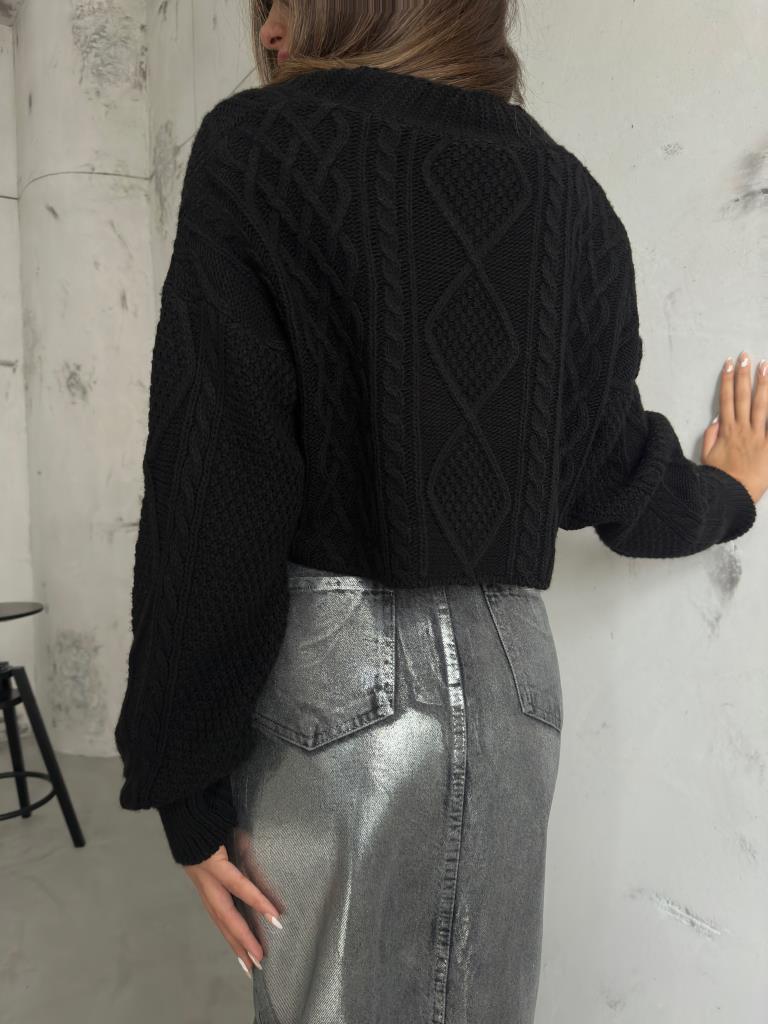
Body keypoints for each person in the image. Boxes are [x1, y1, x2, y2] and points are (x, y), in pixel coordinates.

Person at [114, 2, 765, 1021]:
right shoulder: (570, 193)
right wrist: (728, 494)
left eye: (282, 1)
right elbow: (606, 472)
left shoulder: (258, 145)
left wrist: (181, 780)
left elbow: (219, 479)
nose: (269, 33)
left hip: (335, 693)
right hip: (518, 687)